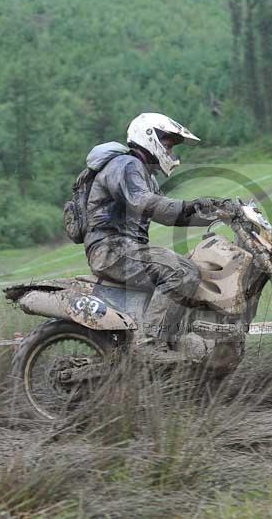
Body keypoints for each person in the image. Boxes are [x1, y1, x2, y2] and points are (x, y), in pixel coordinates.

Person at [83, 112, 219, 362]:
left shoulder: (144, 174)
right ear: (150, 137)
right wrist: (190, 205)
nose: (170, 151)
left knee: (193, 267)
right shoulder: (126, 165)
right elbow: (145, 203)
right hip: (111, 248)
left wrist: (217, 213)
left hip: (124, 248)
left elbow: (169, 216)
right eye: (168, 144)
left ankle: (177, 338)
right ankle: (150, 344)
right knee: (182, 271)